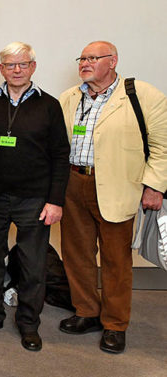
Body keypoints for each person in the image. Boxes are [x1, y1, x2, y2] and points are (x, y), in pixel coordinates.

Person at [57, 41, 167, 354]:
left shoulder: (142, 95)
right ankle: (86, 312)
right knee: (76, 253)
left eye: (93, 58)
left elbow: (162, 146)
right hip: (73, 183)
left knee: (116, 259)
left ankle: (115, 324)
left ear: (113, 61)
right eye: (82, 58)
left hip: (119, 186)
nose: (85, 63)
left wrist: (155, 186)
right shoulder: (69, 98)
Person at [0, 42, 70, 352]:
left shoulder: (49, 105)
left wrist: (55, 200)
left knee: (32, 263)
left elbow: (60, 155)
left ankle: (28, 323)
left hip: (35, 198)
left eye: (22, 64)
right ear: (1, 69)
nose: (16, 70)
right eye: (10, 65)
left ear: (32, 67)